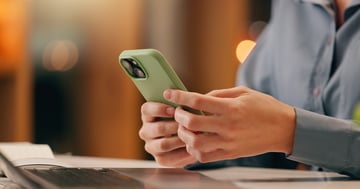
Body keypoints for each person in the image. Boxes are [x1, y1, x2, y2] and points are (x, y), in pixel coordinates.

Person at [139, 0, 360, 177]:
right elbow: (263, 152)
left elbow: (282, 130)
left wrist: (291, 131)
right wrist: (200, 143)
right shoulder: (290, 7)